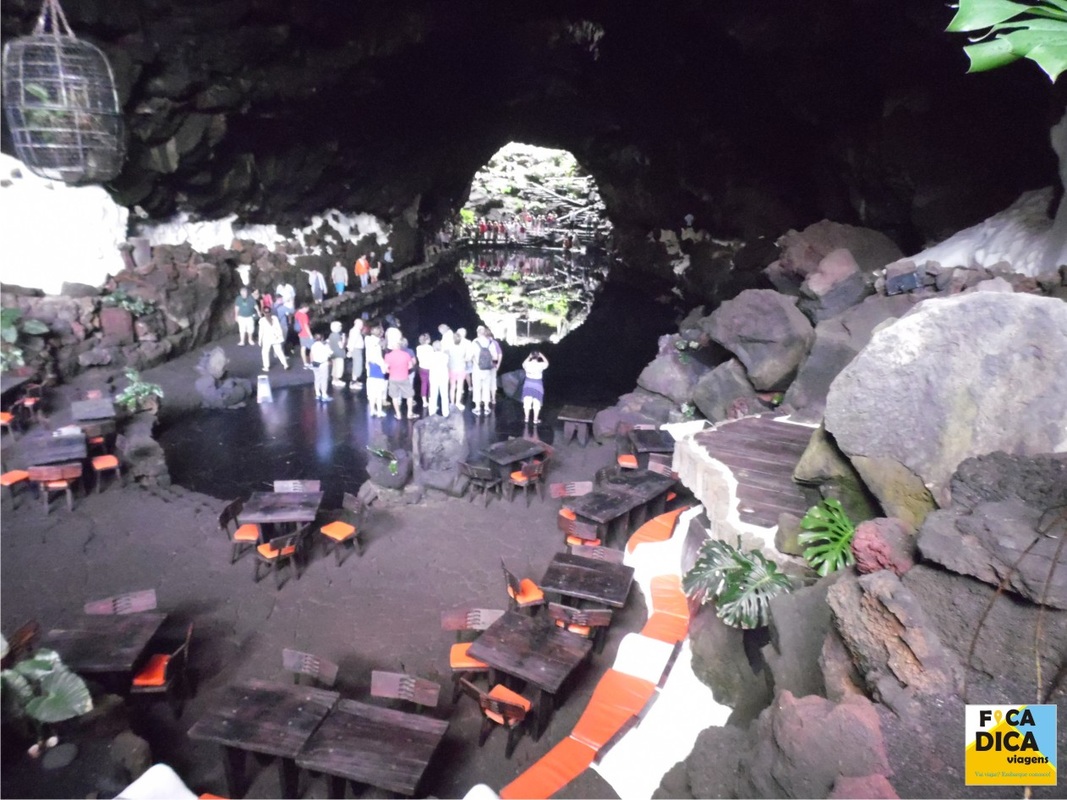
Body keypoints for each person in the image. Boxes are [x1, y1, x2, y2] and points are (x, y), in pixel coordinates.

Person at [384, 340, 417, 419]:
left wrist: (391, 371)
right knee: (409, 395)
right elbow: (410, 366)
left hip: (393, 378)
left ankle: (398, 414)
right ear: (400, 346)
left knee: (394, 397)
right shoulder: (406, 354)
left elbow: (385, 369)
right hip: (404, 377)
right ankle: (410, 413)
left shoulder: (388, 355)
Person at [471, 326, 496, 416]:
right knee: (486, 387)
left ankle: (477, 408)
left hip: (477, 369)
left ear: (478, 333)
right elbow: (495, 357)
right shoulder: (490, 342)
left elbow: (470, 356)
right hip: (487, 369)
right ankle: (486, 407)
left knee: (477, 388)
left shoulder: (474, 342)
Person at [364, 324, 388, 417]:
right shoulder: (377, 345)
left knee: (372, 394)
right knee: (378, 393)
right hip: (378, 373)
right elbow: (382, 363)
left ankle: (372, 410)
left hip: (370, 372)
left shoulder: (368, 340)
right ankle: (379, 411)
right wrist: (384, 367)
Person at [522, 350, 549, 426]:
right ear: (538, 357)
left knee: (527, 402)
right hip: (537, 385)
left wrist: (529, 356)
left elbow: (523, 363)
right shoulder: (541, 365)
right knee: (537, 403)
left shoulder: (527, 364)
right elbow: (547, 363)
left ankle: (526, 418)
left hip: (528, 384)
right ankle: (535, 419)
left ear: (531, 356)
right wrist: (542, 355)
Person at [425, 339, 450, 417]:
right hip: (443, 376)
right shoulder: (445, 356)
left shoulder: (430, 356)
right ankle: (445, 412)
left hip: (434, 376)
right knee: (444, 395)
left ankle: (432, 412)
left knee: (433, 395)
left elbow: (428, 365)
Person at [309, 333, 333, 402]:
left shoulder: (313, 346)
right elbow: (330, 353)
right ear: (322, 338)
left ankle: (317, 393)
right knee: (324, 379)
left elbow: (311, 354)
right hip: (323, 364)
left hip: (315, 364)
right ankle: (324, 394)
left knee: (317, 378)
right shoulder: (324, 346)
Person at [448, 330, 467, 410]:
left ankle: (452, 403)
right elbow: (465, 357)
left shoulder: (450, 348)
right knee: (459, 387)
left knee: (452, 387)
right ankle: (458, 403)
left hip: (452, 369)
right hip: (461, 369)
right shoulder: (463, 348)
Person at [415, 333, 433, 410]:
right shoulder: (430, 348)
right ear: (427, 340)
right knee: (430, 384)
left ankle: (424, 402)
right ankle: (431, 400)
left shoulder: (418, 348)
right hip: (430, 368)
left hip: (422, 367)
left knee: (424, 384)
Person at [327, 320, 347, 387]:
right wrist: (344, 339)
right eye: (340, 326)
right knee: (339, 367)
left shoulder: (331, 335)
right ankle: (337, 380)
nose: (341, 327)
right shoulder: (337, 336)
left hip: (333, 353)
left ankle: (334, 379)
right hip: (339, 354)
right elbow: (341, 346)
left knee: (334, 367)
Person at [346, 318, 365, 389]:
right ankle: (353, 382)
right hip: (356, 350)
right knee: (357, 365)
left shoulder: (355, 331)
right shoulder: (355, 331)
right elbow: (352, 341)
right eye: (361, 324)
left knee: (356, 365)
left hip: (356, 349)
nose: (362, 325)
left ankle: (355, 380)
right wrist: (350, 351)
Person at [293, 304, 313, 369]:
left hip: (300, 333)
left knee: (303, 348)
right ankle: (312, 363)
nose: (308, 310)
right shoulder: (304, 315)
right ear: (304, 308)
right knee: (311, 348)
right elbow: (306, 326)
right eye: (307, 309)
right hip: (306, 334)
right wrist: (310, 335)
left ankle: (305, 363)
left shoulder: (297, 313)